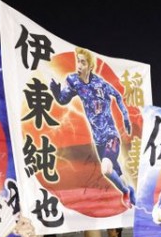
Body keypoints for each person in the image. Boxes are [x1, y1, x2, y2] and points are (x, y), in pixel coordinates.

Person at [50, 47, 134, 205]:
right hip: (98, 140)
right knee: (115, 169)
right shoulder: (74, 81)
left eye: (83, 62)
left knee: (106, 169)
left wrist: (126, 117)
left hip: (110, 135)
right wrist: (55, 92)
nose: (79, 65)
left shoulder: (100, 84)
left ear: (90, 66)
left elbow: (117, 95)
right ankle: (129, 190)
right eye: (78, 61)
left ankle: (126, 192)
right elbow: (62, 100)